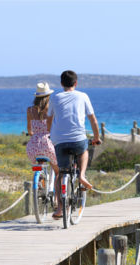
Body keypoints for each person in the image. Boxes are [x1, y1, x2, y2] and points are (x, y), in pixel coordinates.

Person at [49, 70, 101, 219]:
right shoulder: (83, 96)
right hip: (78, 139)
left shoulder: (55, 97)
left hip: (59, 140)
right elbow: (93, 120)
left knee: (61, 174)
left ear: (61, 84)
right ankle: (82, 175)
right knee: (84, 151)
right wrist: (96, 137)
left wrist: (49, 134)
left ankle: (59, 208)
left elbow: (49, 119)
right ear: (76, 83)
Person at [26, 82, 59, 176]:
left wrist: (34, 134)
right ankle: (57, 189)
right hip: (47, 144)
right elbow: (54, 127)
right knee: (57, 171)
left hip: (32, 146)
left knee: (37, 164)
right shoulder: (51, 109)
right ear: (48, 96)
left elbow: (29, 129)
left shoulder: (30, 110)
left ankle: (39, 182)